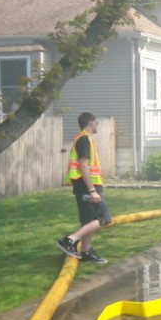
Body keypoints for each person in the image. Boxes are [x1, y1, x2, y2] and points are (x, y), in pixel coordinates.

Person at [56, 112, 112, 263]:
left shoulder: (83, 139)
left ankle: (86, 252)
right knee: (104, 218)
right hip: (87, 186)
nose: (97, 125)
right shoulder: (84, 139)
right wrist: (92, 190)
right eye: (96, 123)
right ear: (90, 123)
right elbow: (83, 166)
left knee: (88, 219)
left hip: (83, 185)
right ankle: (70, 240)